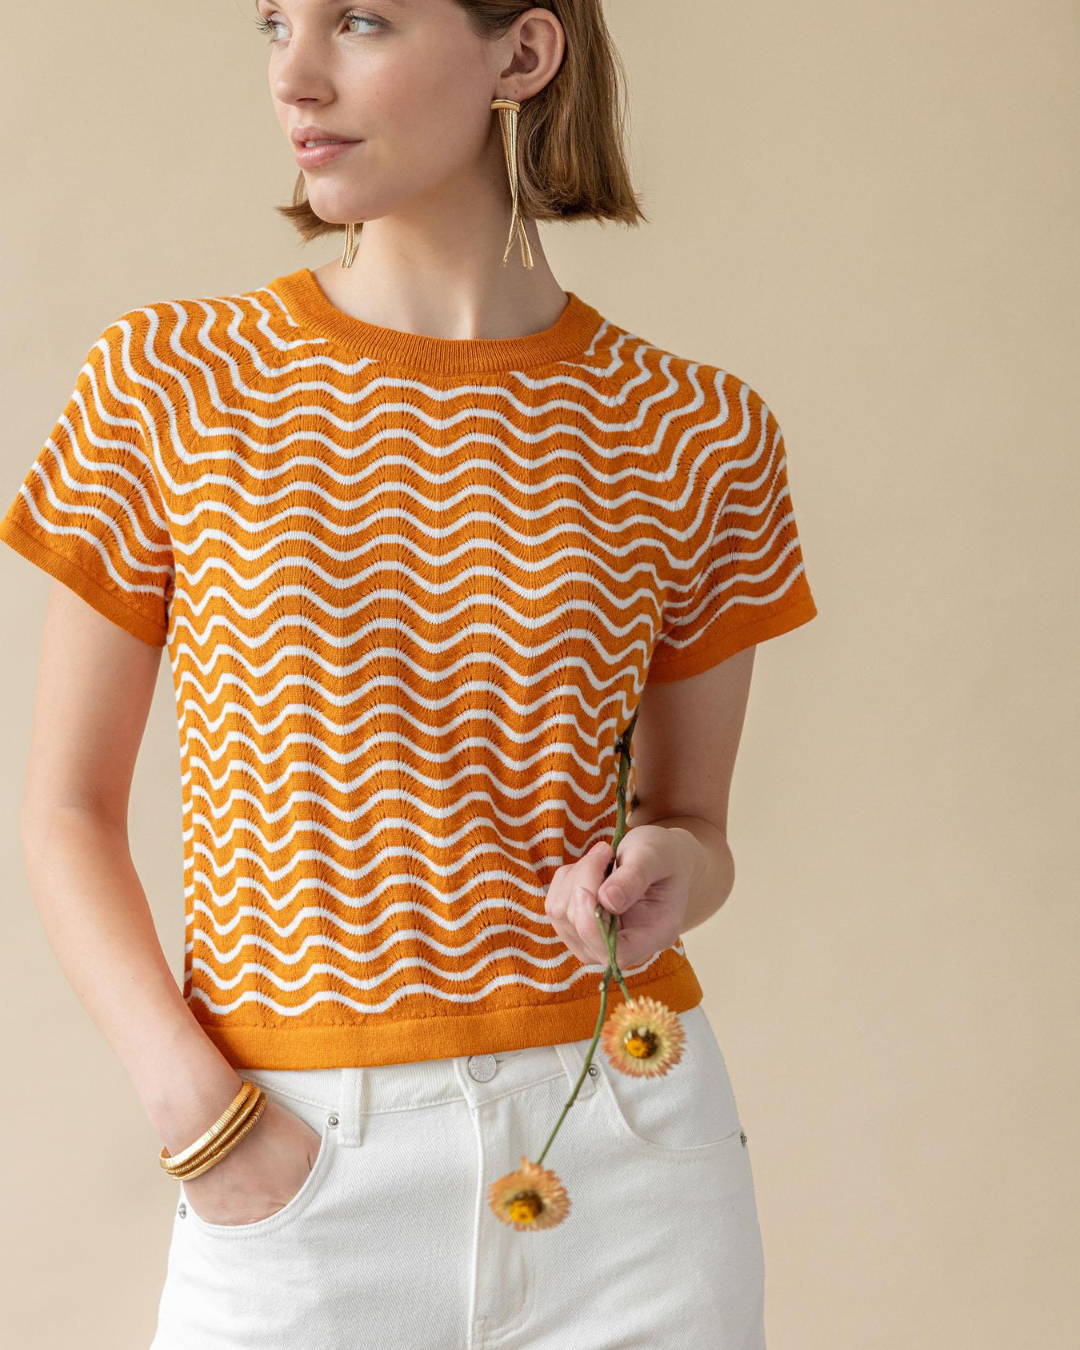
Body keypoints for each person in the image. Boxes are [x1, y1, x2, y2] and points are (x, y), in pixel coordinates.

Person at [0, 2, 819, 1346]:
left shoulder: (695, 431)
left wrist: (668, 872)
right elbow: (64, 813)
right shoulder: (171, 383)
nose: (295, 74)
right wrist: (201, 1118)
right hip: (296, 1155)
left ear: (524, 53)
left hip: (625, 1149)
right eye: (276, 23)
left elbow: (696, 829)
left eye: (362, 20)